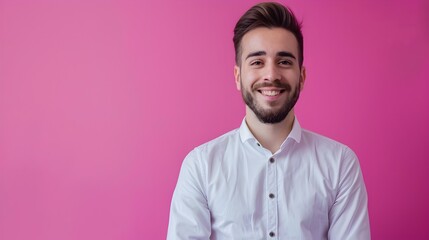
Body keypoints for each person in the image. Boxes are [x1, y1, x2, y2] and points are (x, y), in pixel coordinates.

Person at [167, 2, 370, 239]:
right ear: (238, 76)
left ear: (301, 77)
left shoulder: (340, 165)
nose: (271, 75)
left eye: (284, 61)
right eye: (257, 62)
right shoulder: (201, 167)